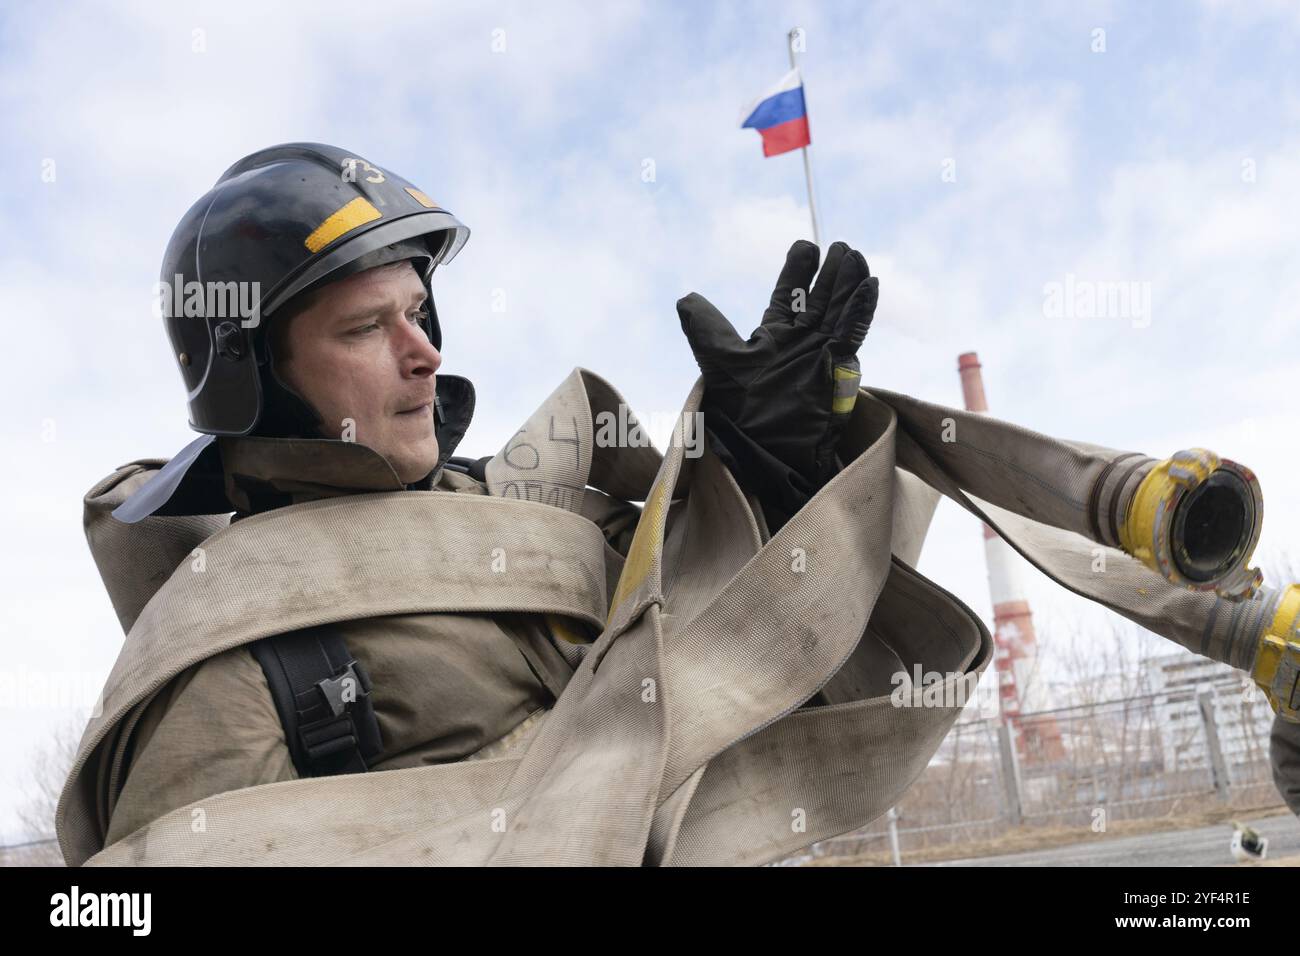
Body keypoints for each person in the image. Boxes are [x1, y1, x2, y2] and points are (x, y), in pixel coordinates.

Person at [57, 143, 1297, 867]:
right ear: (254, 377)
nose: (423, 350)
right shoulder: (223, 665)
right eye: (367, 327)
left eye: (421, 313)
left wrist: (774, 475)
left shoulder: (534, 522)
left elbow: (755, 702)